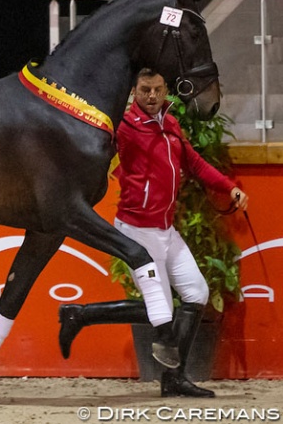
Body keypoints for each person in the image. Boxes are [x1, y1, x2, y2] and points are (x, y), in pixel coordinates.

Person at [58, 68, 248, 398]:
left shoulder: (170, 123)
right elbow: (90, 149)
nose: (152, 96)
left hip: (166, 230)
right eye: (145, 90)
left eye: (158, 89)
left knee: (196, 294)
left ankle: (85, 317)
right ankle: (170, 374)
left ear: (165, 90)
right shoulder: (124, 128)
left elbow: (194, 162)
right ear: (134, 91)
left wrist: (229, 188)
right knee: (160, 311)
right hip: (136, 233)